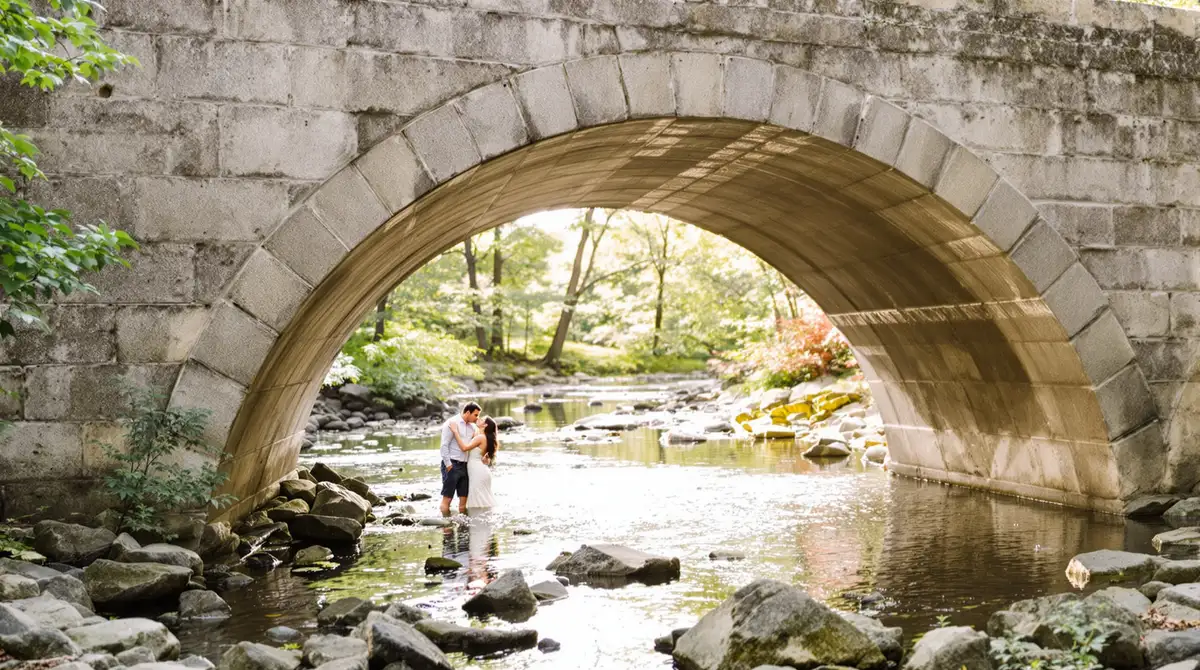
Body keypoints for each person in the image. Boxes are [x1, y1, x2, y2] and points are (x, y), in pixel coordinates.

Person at [448, 415, 497, 510]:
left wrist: (455, 431)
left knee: (478, 500)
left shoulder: (481, 438)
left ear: (485, 425)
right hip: (481, 470)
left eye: (482, 419)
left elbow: (464, 448)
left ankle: (478, 521)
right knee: (482, 499)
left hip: (477, 471)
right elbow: (486, 458)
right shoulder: (482, 436)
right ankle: (483, 521)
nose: (478, 418)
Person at [440, 402, 480, 515]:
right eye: (476, 415)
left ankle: (463, 530)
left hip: (465, 467)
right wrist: (448, 465)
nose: (477, 418)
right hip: (452, 465)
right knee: (447, 499)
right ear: (468, 412)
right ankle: (447, 528)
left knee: (463, 502)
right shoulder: (452, 423)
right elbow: (444, 445)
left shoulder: (473, 427)